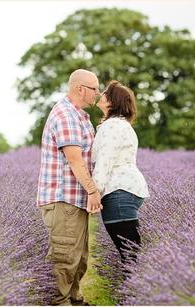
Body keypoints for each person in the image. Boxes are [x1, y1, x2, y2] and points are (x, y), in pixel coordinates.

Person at [37, 69, 102, 306]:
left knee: (80, 257)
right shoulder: (66, 115)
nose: (98, 93)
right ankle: (59, 302)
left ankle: (75, 299)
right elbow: (75, 159)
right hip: (63, 199)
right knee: (64, 258)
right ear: (80, 89)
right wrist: (93, 191)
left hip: (75, 199)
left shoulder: (79, 115)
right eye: (95, 88)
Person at [92, 80, 150, 271]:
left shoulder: (112, 126)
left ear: (111, 101)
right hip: (126, 191)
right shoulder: (119, 125)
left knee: (130, 256)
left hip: (118, 192)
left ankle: (135, 298)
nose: (101, 94)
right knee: (130, 254)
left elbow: (104, 161)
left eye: (106, 92)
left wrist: (95, 192)